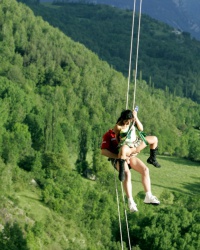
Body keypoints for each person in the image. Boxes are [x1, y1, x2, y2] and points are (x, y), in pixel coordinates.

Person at [101, 129, 160, 213]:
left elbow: (136, 143)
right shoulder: (109, 135)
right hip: (117, 159)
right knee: (127, 173)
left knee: (145, 170)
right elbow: (103, 151)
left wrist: (135, 152)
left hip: (129, 156)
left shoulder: (129, 131)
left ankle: (148, 196)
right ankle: (130, 201)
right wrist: (119, 156)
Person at [113, 109, 161, 181]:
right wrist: (120, 145)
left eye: (129, 120)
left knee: (154, 139)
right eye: (126, 121)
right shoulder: (118, 126)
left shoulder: (133, 122)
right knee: (123, 150)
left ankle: (152, 158)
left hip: (136, 143)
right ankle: (122, 171)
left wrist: (136, 117)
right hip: (127, 145)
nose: (127, 122)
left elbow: (141, 129)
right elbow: (116, 136)